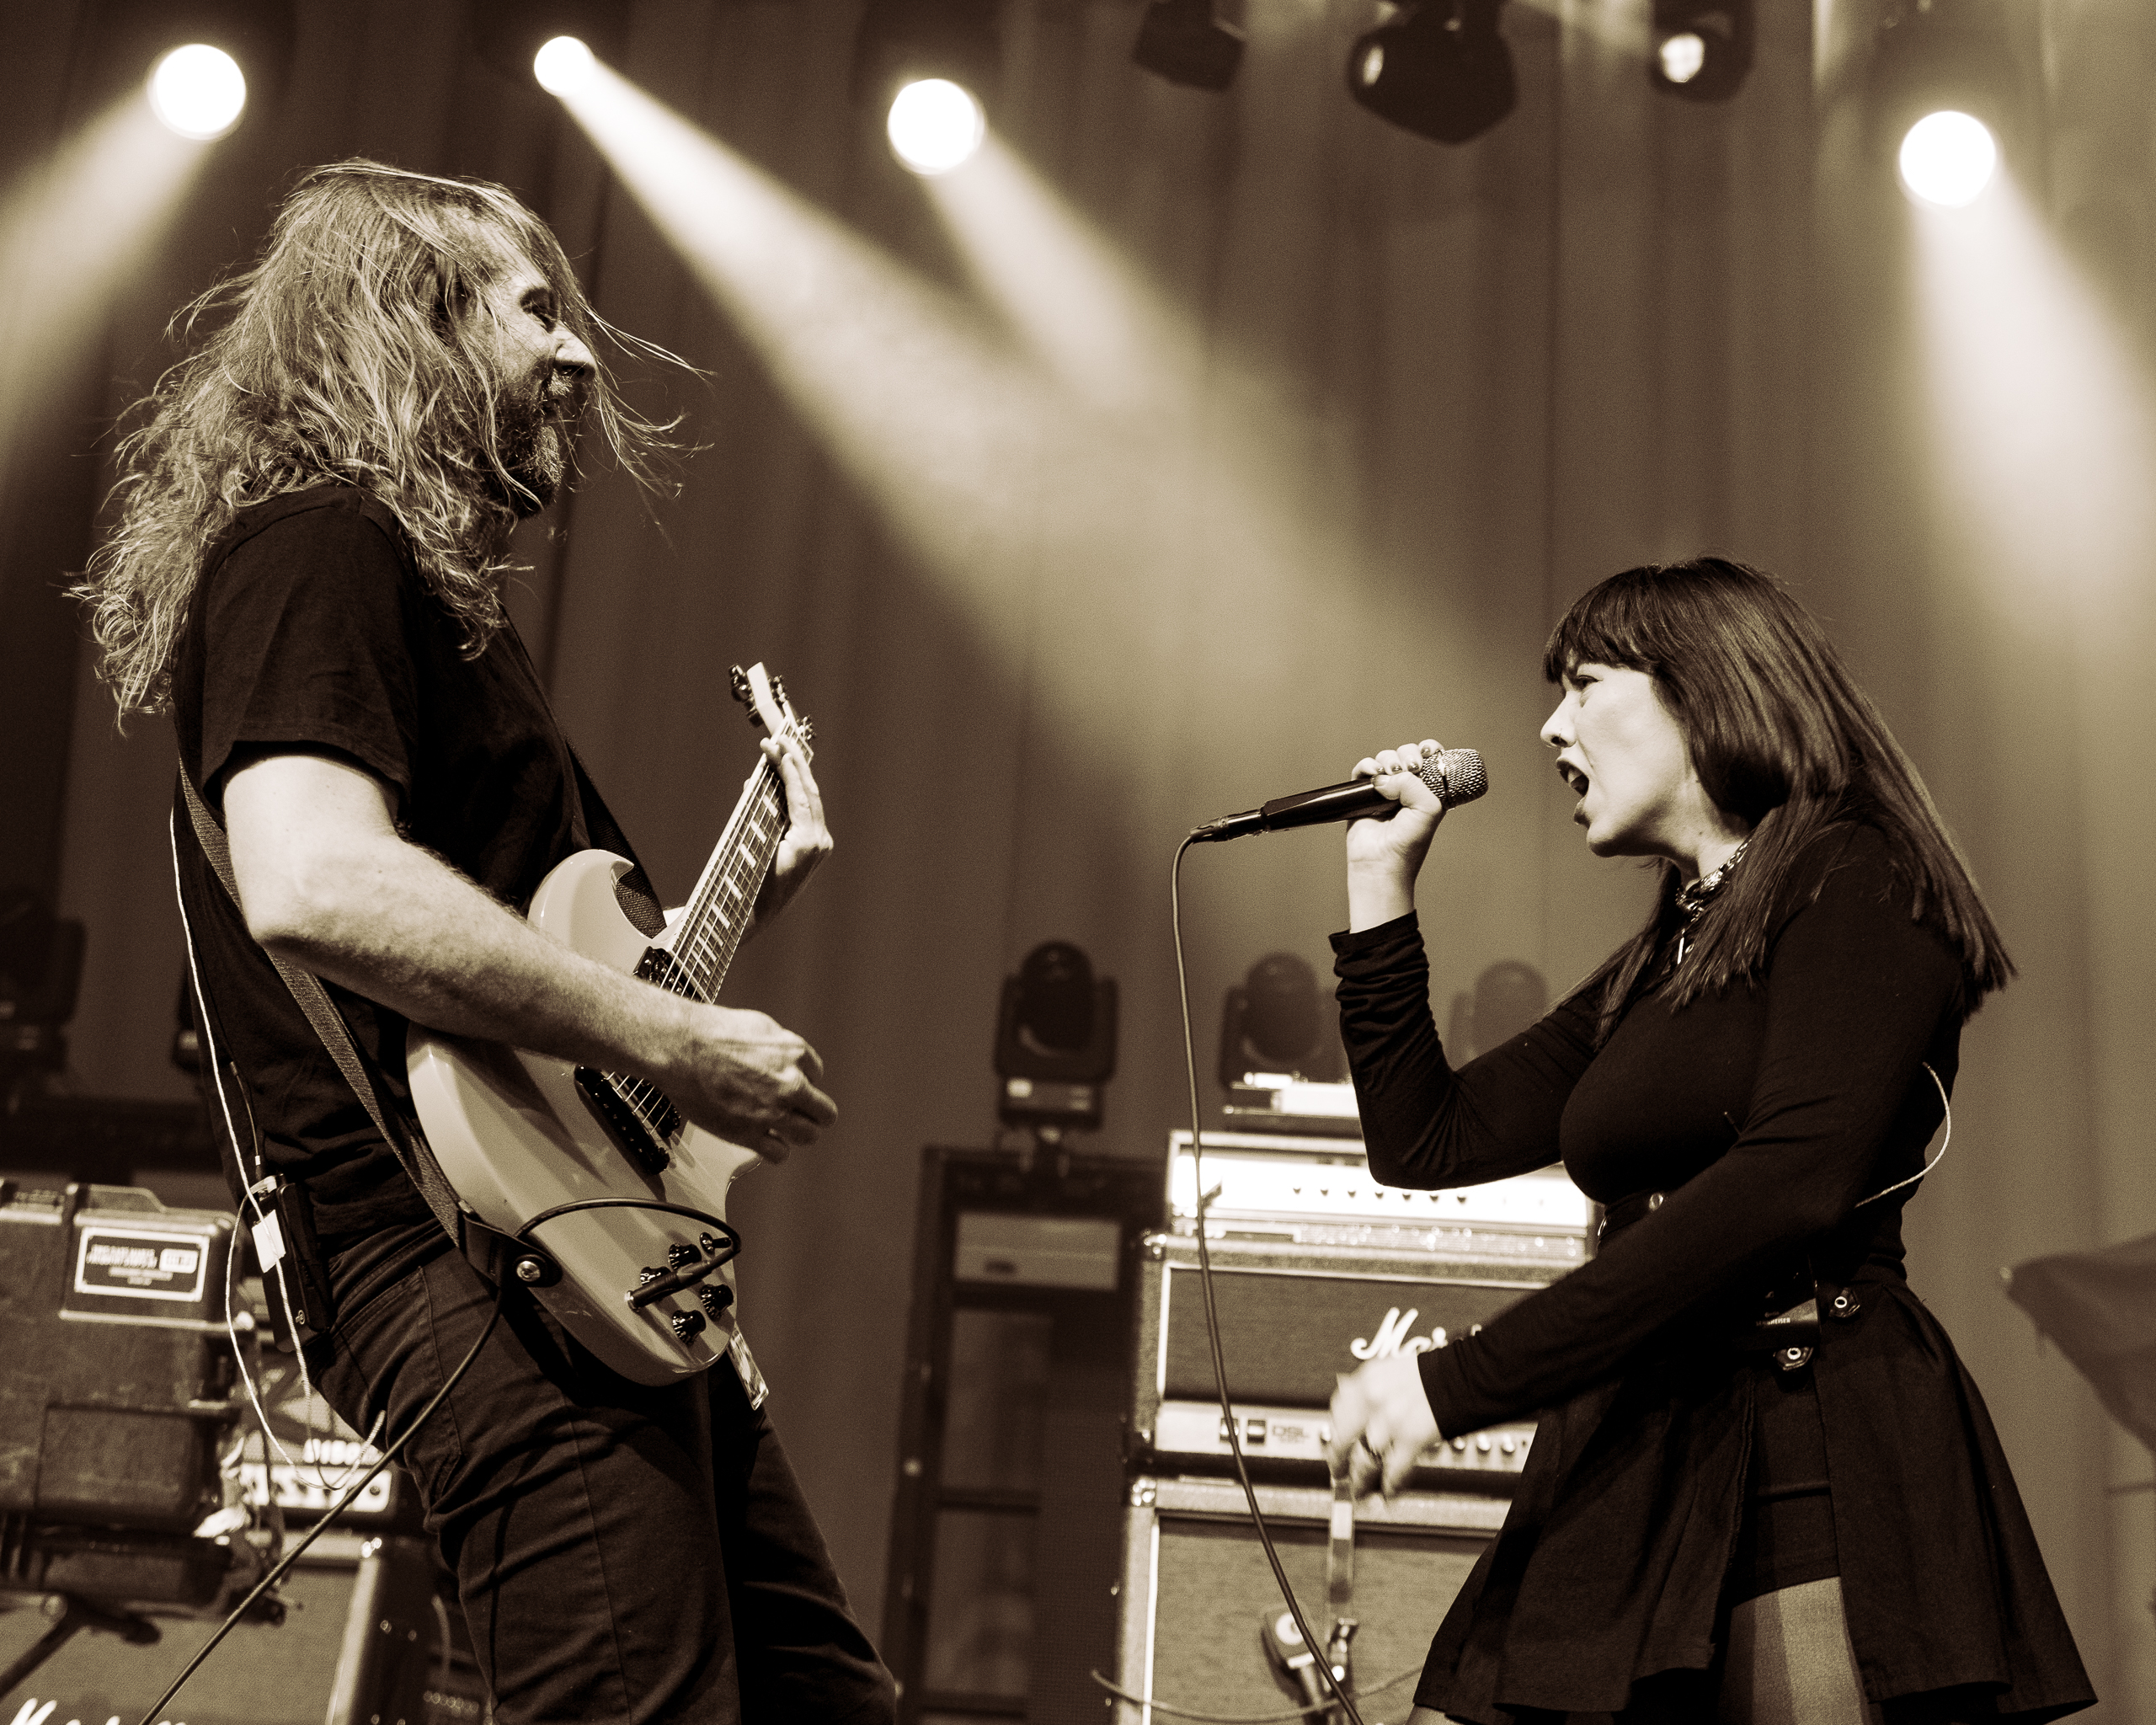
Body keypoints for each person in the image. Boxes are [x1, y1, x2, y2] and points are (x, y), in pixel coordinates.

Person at [76, 160, 897, 1724]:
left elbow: (538, 1012)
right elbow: (317, 880)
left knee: (827, 1702)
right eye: (538, 312)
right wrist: (673, 1035)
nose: (581, 355)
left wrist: (725, 918)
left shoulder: (433, 602)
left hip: (589, 1255)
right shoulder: (312, 545)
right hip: (452, 1255)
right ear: (410, 324)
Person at [1321, 561, 2093, 1725]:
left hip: (1806, 1437)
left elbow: (1789, 1183)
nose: (1551, 727)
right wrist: (1380, 881)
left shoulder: (1859, 870)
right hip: (1642, 1447)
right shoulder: (1672, 950)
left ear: (1703, 691)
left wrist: (1461, 1382)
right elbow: (1426, 1139)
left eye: (1585, 684)